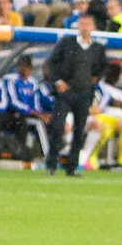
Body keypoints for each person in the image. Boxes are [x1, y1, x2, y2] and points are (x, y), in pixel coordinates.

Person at [45, 12, 109, 176]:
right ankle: (51, 164)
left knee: (79, 131)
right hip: (66, 93)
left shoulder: (98, 48)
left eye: (87, 24)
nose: (84, 28)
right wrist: (58, 81)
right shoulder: (67, 43)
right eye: (82, 24)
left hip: (84, 94)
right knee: (58, 126)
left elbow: (104, 66)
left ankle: (72, 167)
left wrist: (96, 78)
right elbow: (52, 62)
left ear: (93, 27)